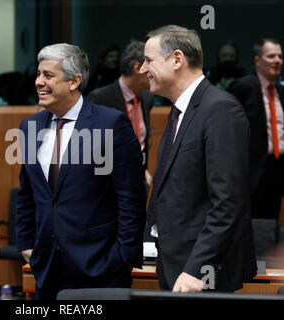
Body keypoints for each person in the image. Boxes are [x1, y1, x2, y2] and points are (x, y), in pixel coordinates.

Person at [16, 43, 146, 300]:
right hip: (47, 265)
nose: (39, 82)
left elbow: (131, 197)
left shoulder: (110, 123)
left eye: (48, 76)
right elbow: (27, 192)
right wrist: (27, 242)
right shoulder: (29, 126)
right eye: (39, 74)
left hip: (100, 265)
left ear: (74, 81)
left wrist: (123, 256)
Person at [140, 25, 256, 292]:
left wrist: (196, 269)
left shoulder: (220, 110)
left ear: (177, 59)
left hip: (201, 274)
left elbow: (228, 203)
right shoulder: (179, 111)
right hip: (174, 264)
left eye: (149, 60)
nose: (143, 69)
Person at [228, 38, 284, 220]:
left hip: (278, 167)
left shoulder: (281, 91)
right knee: (252, 224)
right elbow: (228, 129)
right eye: (271, 56)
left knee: (272, 222)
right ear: (257, 60)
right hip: (252, 170)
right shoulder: (243, 87)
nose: (277, 61)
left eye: (280, 57)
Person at [87, 39, 154, 187]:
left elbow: (141, 141)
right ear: (138, 68)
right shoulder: (100, 99)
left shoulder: (147, 98)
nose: (157, 72)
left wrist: (143, 169)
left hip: (137, 183)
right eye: (152, 65)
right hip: (106, 188)